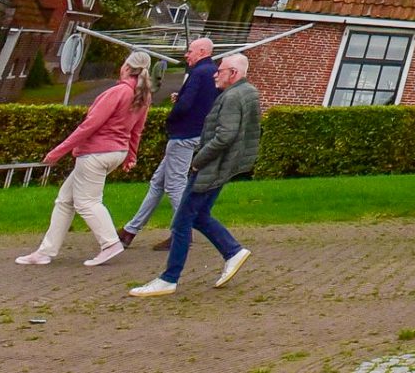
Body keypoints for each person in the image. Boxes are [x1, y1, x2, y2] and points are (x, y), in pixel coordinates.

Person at [129, 52, 258, 297]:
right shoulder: (246, 92)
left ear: (234, 74)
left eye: (220, 70)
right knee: (199, 216)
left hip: (211, 168)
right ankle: (233, 251)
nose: (215, 74)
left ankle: (169, 278)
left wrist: (198, 162)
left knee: (181, 222)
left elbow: (225, 136)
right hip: (222, 167)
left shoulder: (232, 97)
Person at [16, 49, 151, 267]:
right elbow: (137, 129)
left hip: (96, 154)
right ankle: (45, 252)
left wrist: (58, 151)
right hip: (116, 152)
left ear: (126, 67)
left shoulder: (117, 92)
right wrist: (131, 156)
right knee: (65, 200)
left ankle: (110, 243)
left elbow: (89, 126)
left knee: (87, 202)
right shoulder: (142, 95)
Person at [121, 37, 217, 249]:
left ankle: (182, 233)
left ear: (202, 51)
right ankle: (130, 230)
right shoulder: (213, 72)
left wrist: (172, 117)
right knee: (158, 182)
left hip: (183, 136)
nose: (186, 54)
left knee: (175, 185)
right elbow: (205, 101)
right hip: (197, 132)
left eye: (190, 51)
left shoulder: (198, 72)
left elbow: (186, 104)